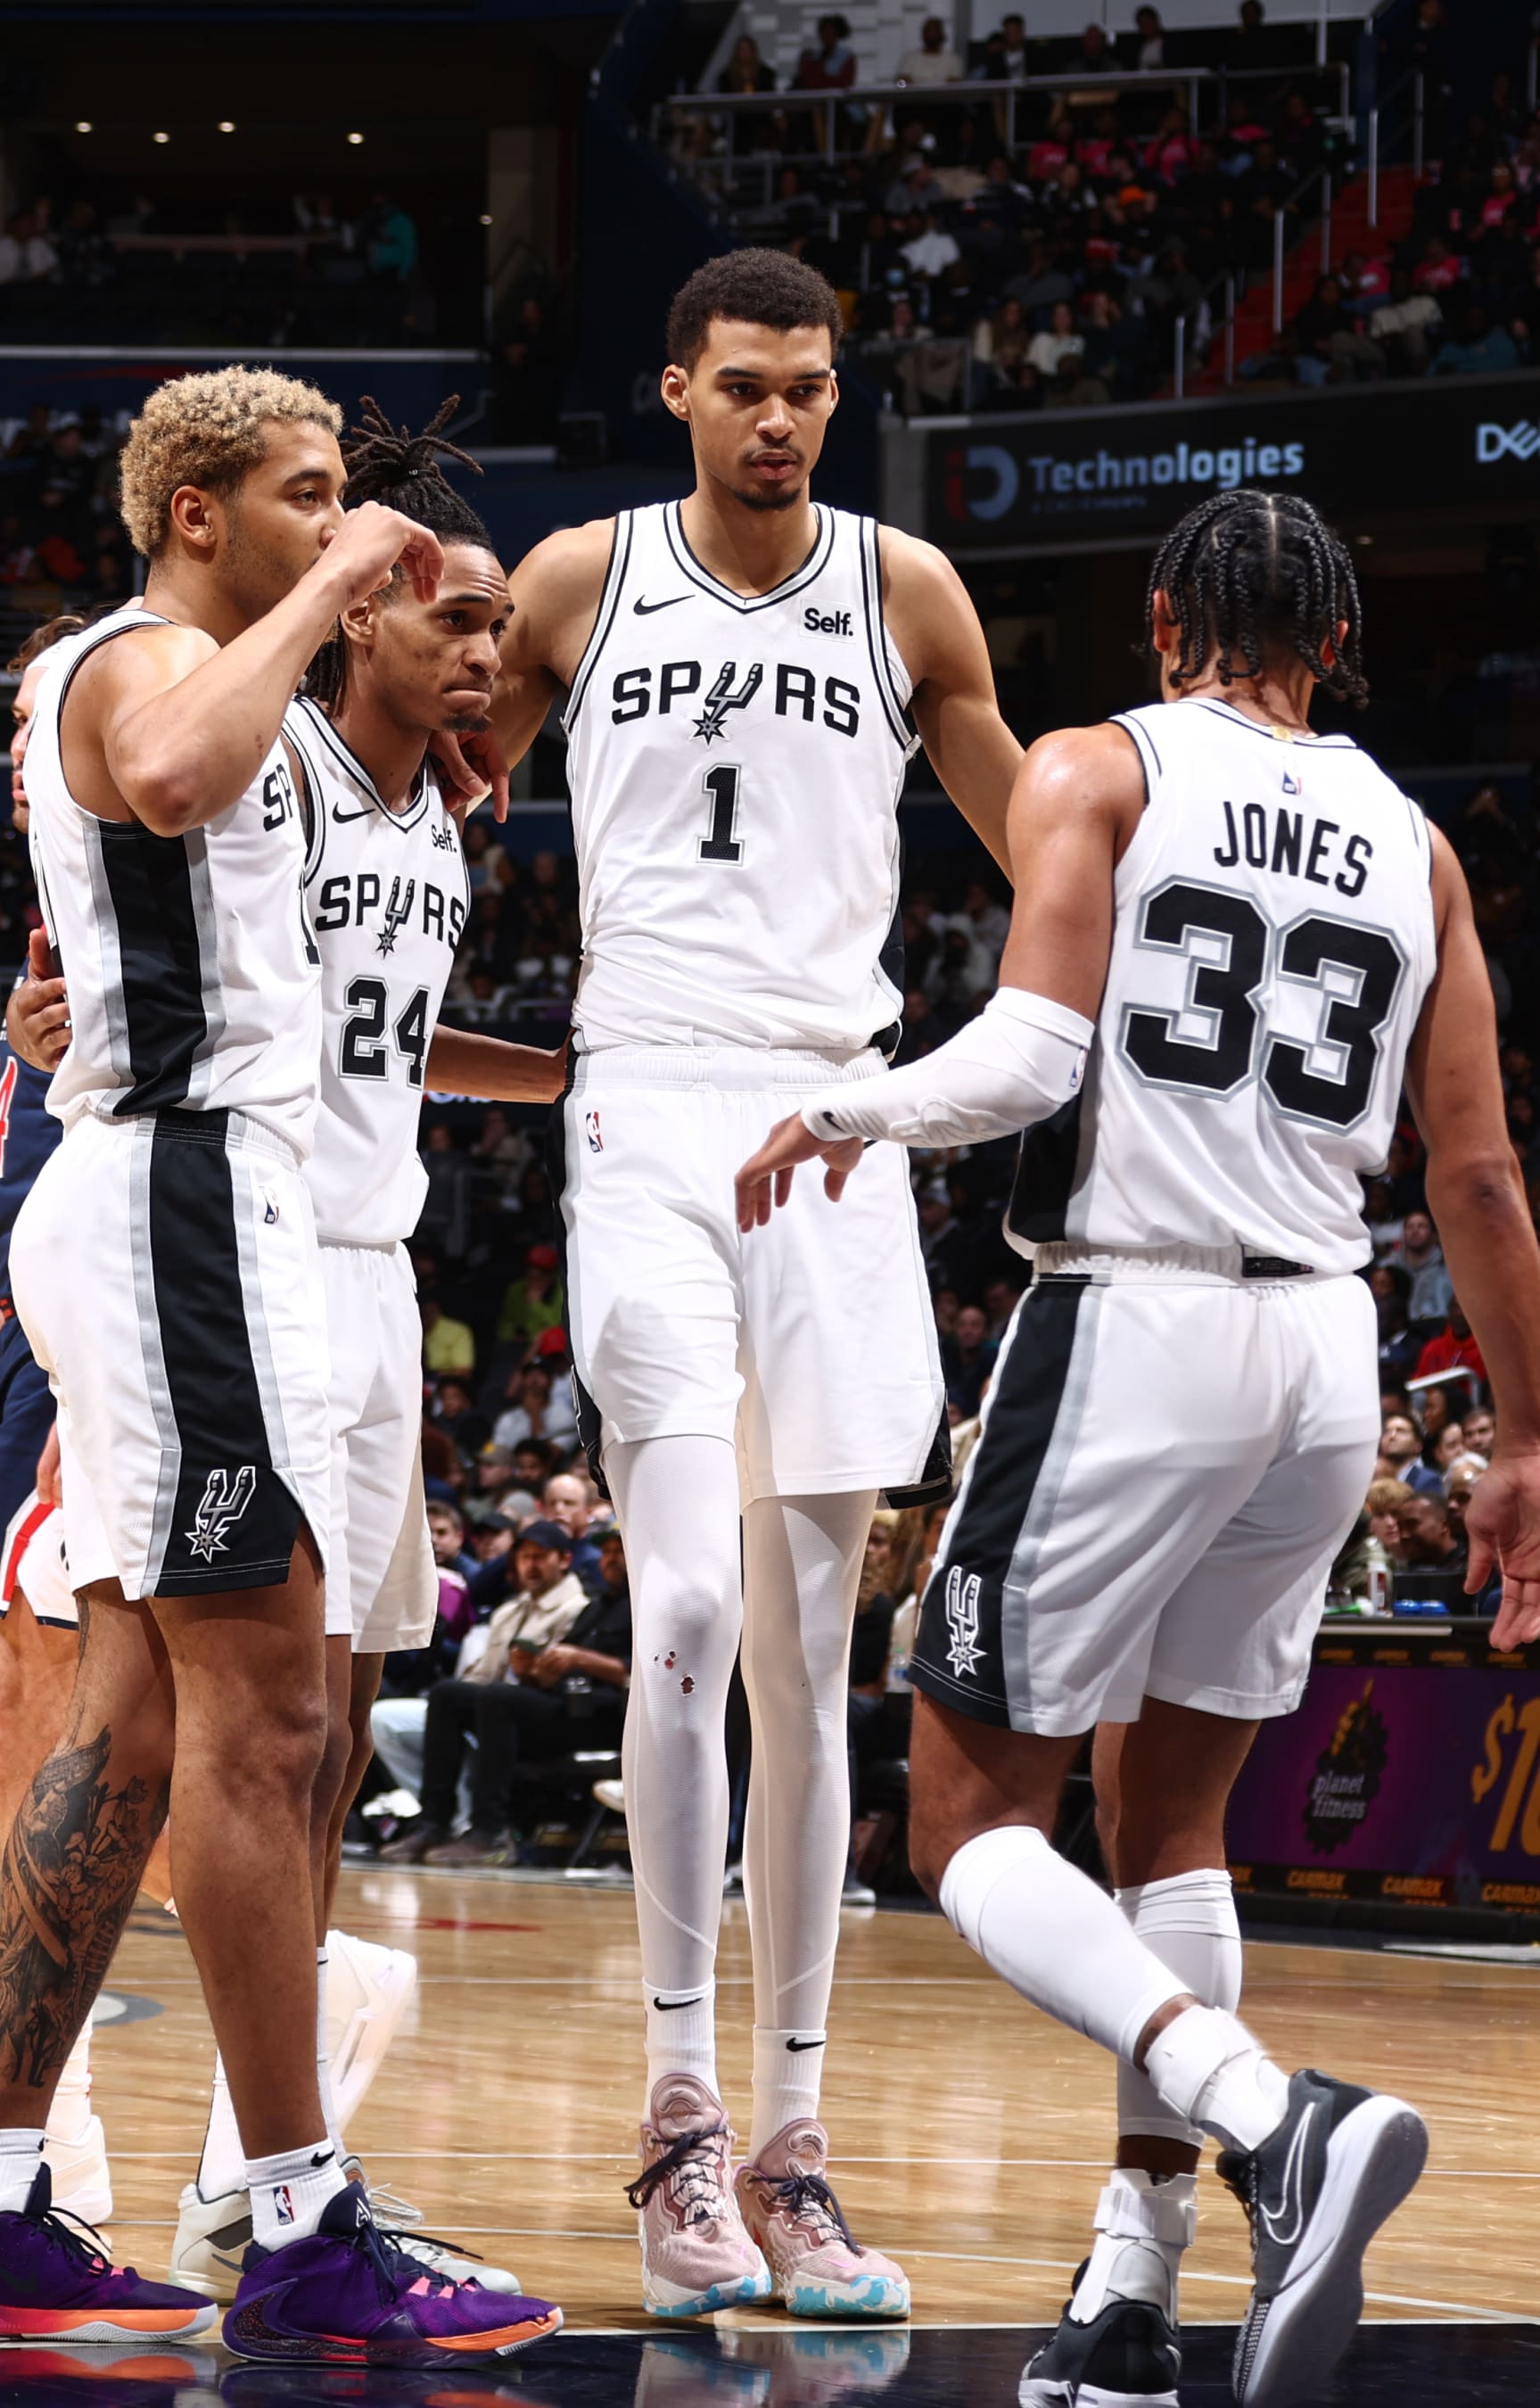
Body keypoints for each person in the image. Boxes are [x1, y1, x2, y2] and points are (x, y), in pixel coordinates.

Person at [735, 483, 1540, 2404]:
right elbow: (1480, 1172)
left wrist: (844, 1107)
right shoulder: (1413, 847)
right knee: (1166, 1824)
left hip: (1132, 1314)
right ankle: (1129, 2294)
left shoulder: (1101, 762)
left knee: (958, 1818)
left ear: (1164, 625)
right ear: (1329, 645)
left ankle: (1270, 2122)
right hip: (1325, 1344)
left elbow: (1029, 1056)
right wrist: (1517, 1441)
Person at [0, 366, 558, 2361]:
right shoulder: (129, 659)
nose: (343, 529)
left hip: (209, 1198)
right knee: (270, 1726)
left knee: (133, 1732)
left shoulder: (246, 707)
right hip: (188, 1214)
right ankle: (295, 2219)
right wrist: (322, 603)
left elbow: (227, 906)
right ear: (196, 512)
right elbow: (184, 770)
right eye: (304, 498)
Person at [485, 248, 1021, 2322]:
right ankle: (676, 2113)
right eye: (746, 387)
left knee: (813, 1657)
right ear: (678, 390)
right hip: (644, 1110)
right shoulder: (577, 579)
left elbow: (1032, 835)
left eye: (811, 386)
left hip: (841, 1124)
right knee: (689, 1603)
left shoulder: (906, 592)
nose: (782, 418)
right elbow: (443, 798)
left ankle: (792, 2144)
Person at [162, 397, 564, 2302]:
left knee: (327, 1760)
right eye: (447, 614)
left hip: (380, 1280)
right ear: (358, 619)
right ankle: (251, 2167)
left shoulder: (434, 824)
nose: (483, 648)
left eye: (493, 621)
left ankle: (269, 2145)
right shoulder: (289, 776)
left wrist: (563, 1071)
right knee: (278, 1728)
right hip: (269, 1263)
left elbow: (394, 1048)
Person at [0, 616, 123, 2224]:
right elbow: (25, 1202)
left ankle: (60, 2140)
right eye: (9, 717)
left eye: (39, 710)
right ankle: (55, 2130)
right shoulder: (42, 947)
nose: (20, 741)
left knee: (101, 1744)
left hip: (119, 1337)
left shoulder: (145, 893)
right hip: (31, 1349)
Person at [392, 1519, 631, 1868]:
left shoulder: (641, 1607)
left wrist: (580, 1658)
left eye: (620, 1552)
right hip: (565, 1704)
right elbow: (558, 1670)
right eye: (607, 1552)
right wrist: (534, 1671)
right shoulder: (597, 1606)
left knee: (498, 1698)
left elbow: (638, 1671)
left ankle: (491, 1831)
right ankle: (435, 1822)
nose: (610, 1559)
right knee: (448, 1694)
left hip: (605, 1717)